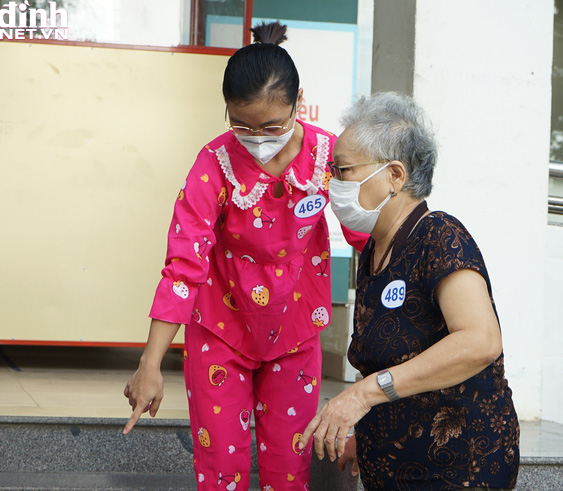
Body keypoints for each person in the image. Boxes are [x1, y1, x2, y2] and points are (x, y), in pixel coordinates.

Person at [122, 21, 367, 490]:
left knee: (288, 468)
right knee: (219, 470)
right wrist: (149, 364)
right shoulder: (213, 164)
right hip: (220, 330)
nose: (258, 139)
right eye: (242, 125)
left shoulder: (328, 156)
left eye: (272, 126)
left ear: (299, 102)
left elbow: (366, 237)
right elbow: (182, 266)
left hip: (295, 331)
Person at [299, 92, 520, 490]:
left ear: (395, 176)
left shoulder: (439, 236)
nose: (333, 182)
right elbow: (387, 357)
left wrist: (363, 395)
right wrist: (360, 434)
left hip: (458, 467)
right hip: (393, 466)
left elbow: (480, 341)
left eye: (344, 169)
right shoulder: (373, 252)